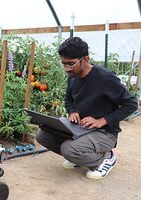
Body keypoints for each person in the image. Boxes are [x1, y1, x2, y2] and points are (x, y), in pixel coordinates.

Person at [35, 36, 138, 180]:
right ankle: (80, 157)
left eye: (70, 64)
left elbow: (131, 104)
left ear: (86, 59)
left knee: (68, 149)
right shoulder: (73, 76)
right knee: (42, 135)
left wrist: (102, 120)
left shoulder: (105, 78)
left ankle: (106, 158)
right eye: (64, 64)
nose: (67, 69)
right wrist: (73, 111)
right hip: (81, 128)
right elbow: (69, 99)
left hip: (105, 132)